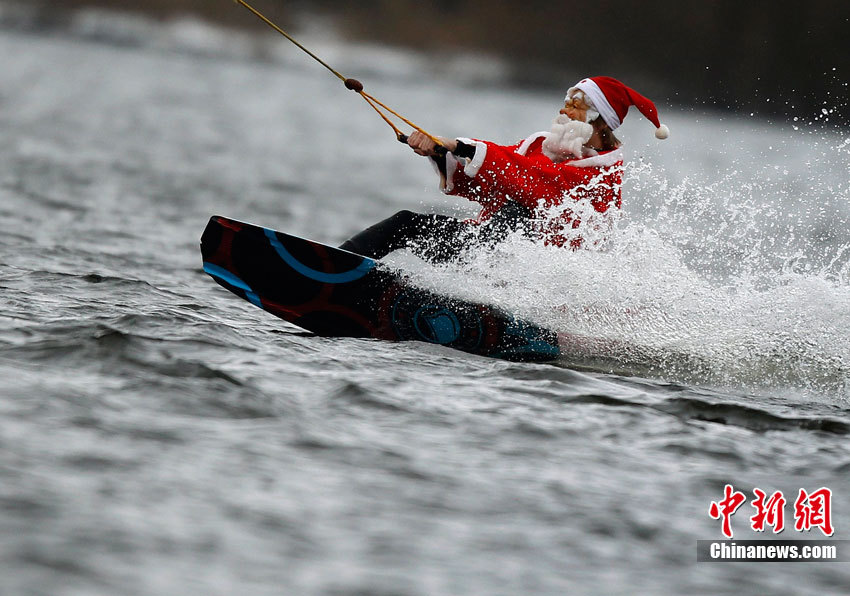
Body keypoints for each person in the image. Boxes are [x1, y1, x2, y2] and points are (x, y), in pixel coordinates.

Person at [339, 76, 669, 262]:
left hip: (536, 268)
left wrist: (459, 145)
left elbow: (538, 186)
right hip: (494, 249)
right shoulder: (541, 147)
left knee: (517, 215)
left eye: (575, 104)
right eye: (566, 100)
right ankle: (334, 265)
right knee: (405, 224)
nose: (563, 109)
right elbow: (490, 180)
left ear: (599, 119)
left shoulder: (599, 174)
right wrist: (442, 152)